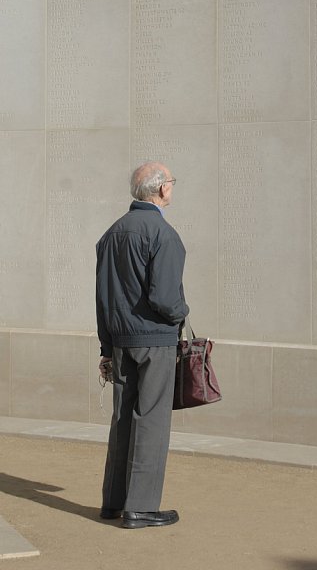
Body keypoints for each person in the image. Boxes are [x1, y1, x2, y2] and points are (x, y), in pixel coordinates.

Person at [95, 162, 189, 529]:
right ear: (162, 189)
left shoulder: (111, 234)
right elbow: (165, 298)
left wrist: (106, 347)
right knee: (151, 420)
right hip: (155, 341)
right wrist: (182, 314)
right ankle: (142, 507)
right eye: (172, 182)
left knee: (123, 419)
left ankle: (114, 502)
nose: (172, 188)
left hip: (121, 341)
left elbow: (103, 299)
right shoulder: (163, 234)